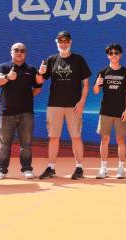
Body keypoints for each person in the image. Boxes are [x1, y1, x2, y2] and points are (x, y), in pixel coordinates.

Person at [37, 31, 91, 180]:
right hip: (54, 104)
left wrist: (82, 102)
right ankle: (51, 167)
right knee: (53, 137)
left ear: (70, 42)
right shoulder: (51, 59)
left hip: (74, 105)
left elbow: (86, 84)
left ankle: (79, 168)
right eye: (60, 41)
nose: (63, 44)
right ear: (57, 43)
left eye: (66, 41)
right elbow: (40, 81)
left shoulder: (79, 59)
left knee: (76, 136)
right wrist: (40, 73)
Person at [0, 42, 41, 180]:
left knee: (26, 144)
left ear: (25, 53)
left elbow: (38, 87)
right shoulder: (3, 67)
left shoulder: (31, 69)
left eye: (22, 50)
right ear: (11, 52)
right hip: (6, 112)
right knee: (4, 144)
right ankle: (1, 170)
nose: (19, 52)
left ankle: (27, 169)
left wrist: (27, 96)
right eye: (16, 50)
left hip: (26, 113)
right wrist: (8, 77)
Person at [93, 43, 126, 179]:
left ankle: (121, 168)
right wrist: (97, 84)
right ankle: (103, 168)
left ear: (120, 55)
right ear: (107, 55)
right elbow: (96, 91)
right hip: (105, 111)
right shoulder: (102, 72)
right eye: (111, 53)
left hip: (120, 112)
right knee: (104, 139)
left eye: (116, 53)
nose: (113, 55)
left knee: (121, 139)